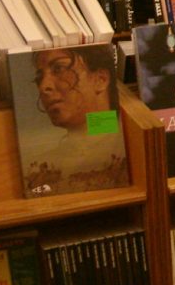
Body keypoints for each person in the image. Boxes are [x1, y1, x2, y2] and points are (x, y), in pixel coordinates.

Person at [28, 45, 128, 193]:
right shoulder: (41, 168)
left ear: (100, 80)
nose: (44, 86)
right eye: (39, 78)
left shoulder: (130, 149)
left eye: (59, 69)